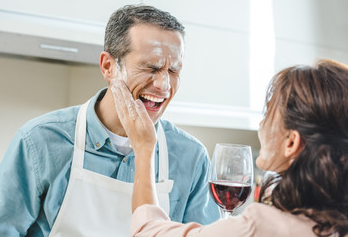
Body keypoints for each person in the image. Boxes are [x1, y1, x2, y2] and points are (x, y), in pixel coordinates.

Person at [0, 5, 219, 236]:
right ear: (108, 66)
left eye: (174, 71)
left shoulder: (192, 157)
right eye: (151, 67)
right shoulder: (39, 141)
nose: (163, 85)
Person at [110, 59, 348, 237]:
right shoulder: (334, 223)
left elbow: (146, 232)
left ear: (291, 143)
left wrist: (143, 149)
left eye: (267, 114)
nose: (261, 125)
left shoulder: (260, 228)